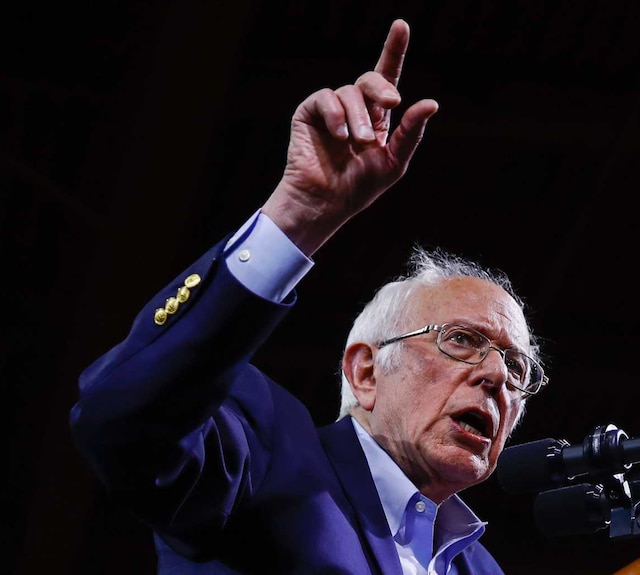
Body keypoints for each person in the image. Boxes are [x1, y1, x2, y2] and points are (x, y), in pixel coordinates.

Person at [70, 18, 548, 574]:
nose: (495, 375)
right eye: (462, 340)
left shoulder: (482, 568)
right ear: (365, 372)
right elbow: (119, 422)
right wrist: (296, 219)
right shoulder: (270, 455)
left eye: (517, 368)